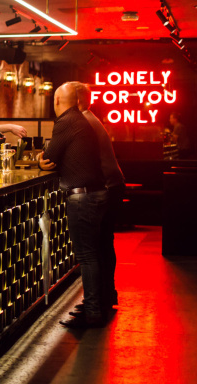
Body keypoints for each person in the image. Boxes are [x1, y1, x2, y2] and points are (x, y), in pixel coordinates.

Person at [39, 82, 110, 328]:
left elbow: (49, 158)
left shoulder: (66, 121)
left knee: (87, 256)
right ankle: (97, 306)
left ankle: (92, 312)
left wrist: (39, 160)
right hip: (98, 193)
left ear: (57, 100)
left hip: (82, 197)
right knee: (95, 253)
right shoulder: (80, 119)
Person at [72, 82, 124, 315]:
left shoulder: (83, 122)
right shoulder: (89, 119)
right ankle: (106, 296)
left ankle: (97, 304)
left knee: (94, 247)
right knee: (104, 244)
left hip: (106, 187)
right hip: (113, 185)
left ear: (77, 100)